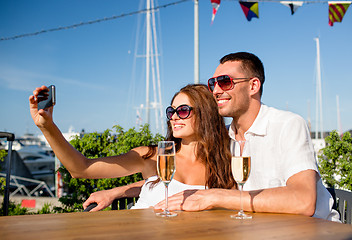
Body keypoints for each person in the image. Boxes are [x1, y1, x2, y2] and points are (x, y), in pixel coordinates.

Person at [153, 52, 339, 221]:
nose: (216, 91)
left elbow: (303, 201)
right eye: (213, 83)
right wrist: (130, 189)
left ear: (253, 85)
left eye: (225, 82)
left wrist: (216, 197)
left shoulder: (287, 125)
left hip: (314, 230)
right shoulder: (224, 137)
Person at [29, 84, 236, 210]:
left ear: (206, 114)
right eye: (171, 111)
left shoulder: (226, 160)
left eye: (182, 111)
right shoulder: (153, 156)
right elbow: (81, 169)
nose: (174, 117)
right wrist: (48, 127)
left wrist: (118, 191)